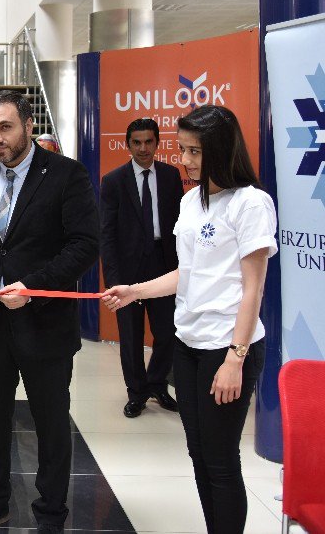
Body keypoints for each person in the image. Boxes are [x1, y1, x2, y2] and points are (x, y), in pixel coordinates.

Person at [102, 105, 275, 534]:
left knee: (220, 460)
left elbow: (253, 289)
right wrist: (135, 291)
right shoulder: (191, 200)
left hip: (227, 347)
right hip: (189, 343)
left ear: (221, 149)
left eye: (195, 151)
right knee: (199, 454)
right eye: (183, 149)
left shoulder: (251, 203)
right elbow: (187, 273)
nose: (186, 160)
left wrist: (235, 358)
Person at [0, 91, 99, 534]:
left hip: (44, 325)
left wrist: (35, 288)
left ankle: (51, 513)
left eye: (5, 127)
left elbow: (84, 246)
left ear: (29, 125)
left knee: (51, 424)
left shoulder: (66, 175)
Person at [100, 118, 183, 418]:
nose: (143, 148)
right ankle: (136, 393)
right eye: (137, 142)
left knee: (168, 332)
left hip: (164, 266)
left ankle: (157, 383)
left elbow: (180, 226)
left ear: (157, 143)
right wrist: (112, 279)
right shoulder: (113, 181)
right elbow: (106, 234)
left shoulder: (172, 176)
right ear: (128, 144)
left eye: (149, 141)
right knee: (131, 337)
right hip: (127, 271)